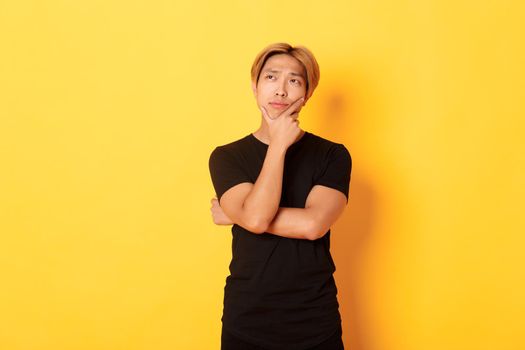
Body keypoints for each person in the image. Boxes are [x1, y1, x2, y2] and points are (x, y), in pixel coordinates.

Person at [208, 42, 352, 350]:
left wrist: (237, 214)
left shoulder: (333, 155)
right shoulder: (227, 157)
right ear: (255, 86)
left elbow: (313, 225)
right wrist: (277, 145)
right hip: (247, 321)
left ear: (307, 93)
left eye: (294, 80)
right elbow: (256, 218)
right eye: (271, 77)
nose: (281, 90)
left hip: (315, 320)